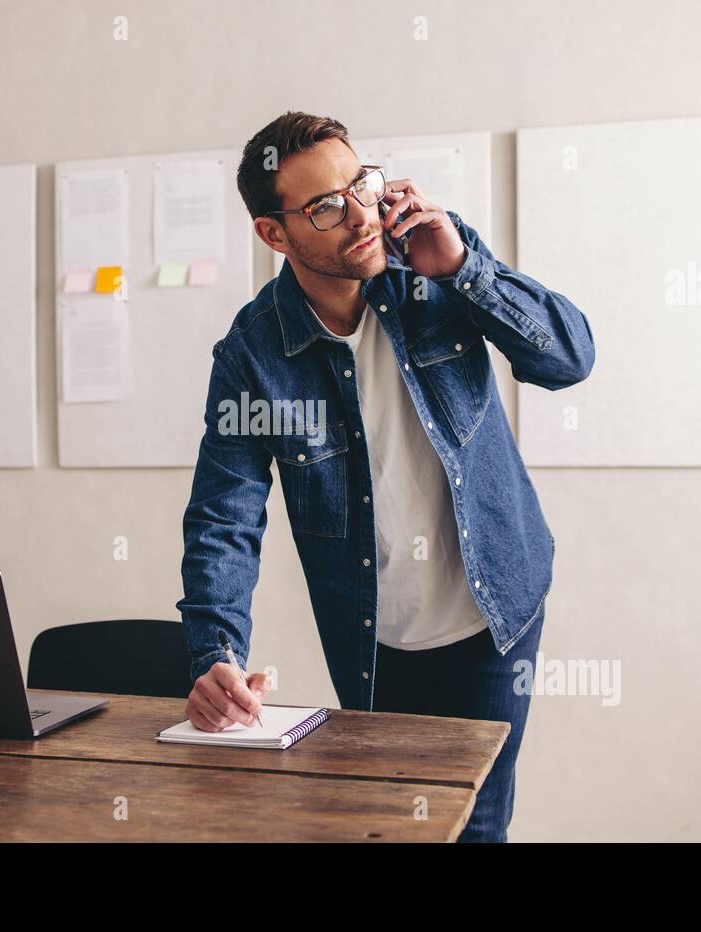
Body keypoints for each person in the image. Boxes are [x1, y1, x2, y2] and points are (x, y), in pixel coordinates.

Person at [176, 111, 595, 841]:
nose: (359, 216)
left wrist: (467, 271)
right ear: (275, 234)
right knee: (396, 826)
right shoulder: (252, 354)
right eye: (324, 207)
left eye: (358, 184)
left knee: (476, 826)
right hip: (376, 637)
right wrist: (217, 653)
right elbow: (225, 516)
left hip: (494, 611)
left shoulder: (435, 266)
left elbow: (568, 359)